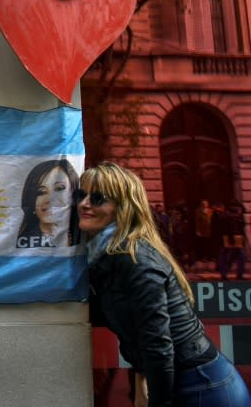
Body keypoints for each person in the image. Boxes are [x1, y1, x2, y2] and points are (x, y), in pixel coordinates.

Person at [78, 162, 250, 406]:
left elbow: (157, 343)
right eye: (80, 195)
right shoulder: (105, 254)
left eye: (97, 198)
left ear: (123, 208)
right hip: (188, 381)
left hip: (204, 387)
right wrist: (140, 379)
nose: (84, 203)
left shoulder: (132, 257)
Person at [16, 158, 80, 248]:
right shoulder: (20, 243)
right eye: (41, 192)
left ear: (74, 193)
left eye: (59, 188)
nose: (49, 199)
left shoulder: (84, 235)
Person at [217, 201, 247, 281]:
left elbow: (240, 230)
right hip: (229, 240)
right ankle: (226, 275)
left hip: (235, 240)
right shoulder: (228, 217)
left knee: (238, 257)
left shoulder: (236, 217)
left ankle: (227, 275)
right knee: (231, 257)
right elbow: (227, 230)